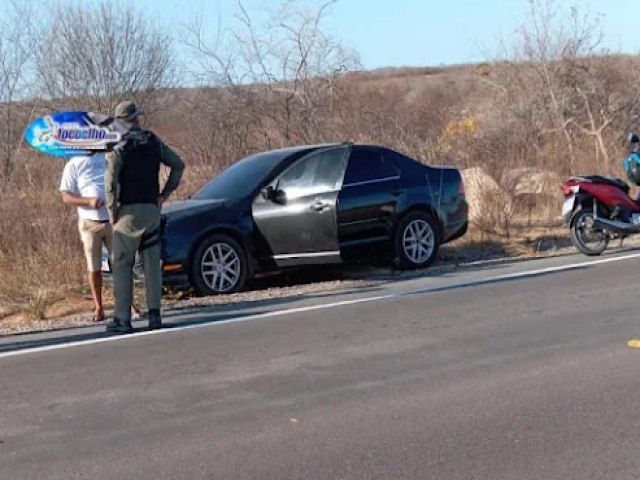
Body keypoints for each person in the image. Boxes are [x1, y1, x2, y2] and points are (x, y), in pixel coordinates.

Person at [104, 101, 185, 333]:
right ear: (137, 118)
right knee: (151, 266)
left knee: (122, 265)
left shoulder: (118, 148)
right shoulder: (153, 142)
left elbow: (110, 184)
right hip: (152, 210)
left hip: (127, 212)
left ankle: (123, 319)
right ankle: (154, 316)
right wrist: (164, 195)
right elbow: (178, 165)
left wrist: (113, 213)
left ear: (120, 121)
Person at [60, 151, 143, 323]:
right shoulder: (74, 163)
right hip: (89, 222)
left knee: (121, 263)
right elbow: (66, 196)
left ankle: (129, 303)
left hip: (114, 219)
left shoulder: (109, 157)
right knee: (94, 266)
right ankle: (99, 307)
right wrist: (88, 202)